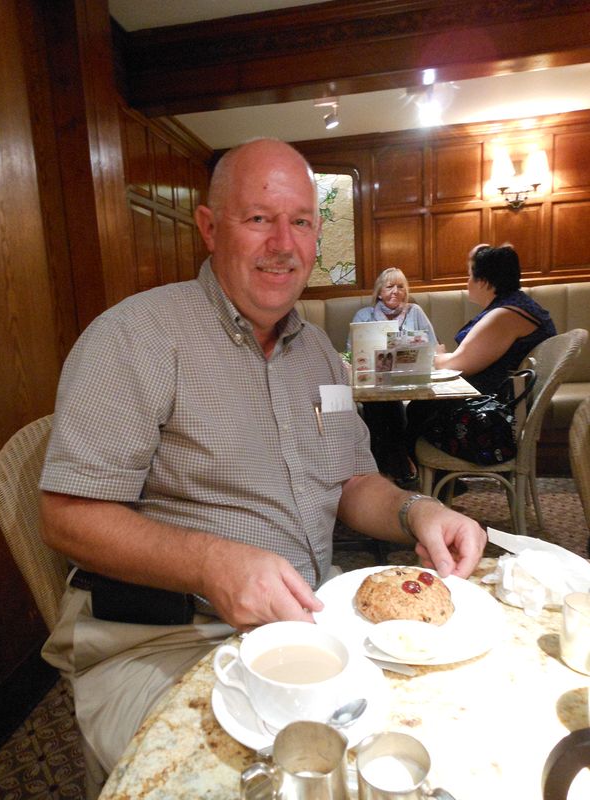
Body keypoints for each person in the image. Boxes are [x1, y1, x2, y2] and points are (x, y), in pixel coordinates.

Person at [38, 139, 487, 778]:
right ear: (209, 226)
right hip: (165, 641)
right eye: (258, 218)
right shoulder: (133, 338)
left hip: (310, 620)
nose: (283, 242)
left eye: (301, 221)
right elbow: (65, 517)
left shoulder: (321, 359)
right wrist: (210, 561)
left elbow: (352, 478)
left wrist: (417, 511)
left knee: (429, 735)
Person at [406, 242, 557, 456]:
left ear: (485, 282)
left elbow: (457, 365)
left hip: (494, 422)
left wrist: (436, 356)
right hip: (499, 407)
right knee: (417, 409)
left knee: (417, 411)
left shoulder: (504, 316)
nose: (467, 282)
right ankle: (426, 480)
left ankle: (416, 480)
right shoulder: (517, 306)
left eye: (470, 275)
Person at [348, 268, 438, 486]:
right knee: (381, 404)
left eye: (400, 286)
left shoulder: (415, 312)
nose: (395, 291)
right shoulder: (363, 316)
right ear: (379, 292)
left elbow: (432, 345)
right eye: (390, 286)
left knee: (425, 408)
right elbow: (352, 351)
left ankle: (397, 464)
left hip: (410, 380)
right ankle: (395, 464)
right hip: (375, 383)